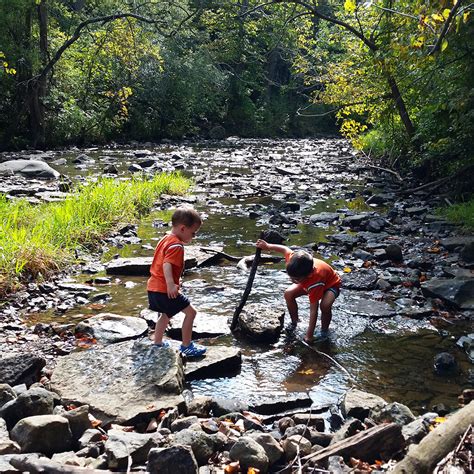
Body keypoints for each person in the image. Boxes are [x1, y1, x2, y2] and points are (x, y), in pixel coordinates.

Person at [256, 239, 341, 343]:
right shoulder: (293, 260)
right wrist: (268, 246)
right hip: (308, 282)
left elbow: (314, 310)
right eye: (290, 277)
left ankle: (324, 331)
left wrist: (309, 336)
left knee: (325, 305)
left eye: (296, 279)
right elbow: (284, 249)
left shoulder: (314, 281)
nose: (292, 281)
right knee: (288, 294)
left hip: (330, 285)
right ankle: (295, 322)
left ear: (308, 275)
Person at [147, 207, 206, 357]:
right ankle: (187, 346)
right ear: (182, 228)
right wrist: (171, 284)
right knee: (191, 313)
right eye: (193, 233)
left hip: (153, 288)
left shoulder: (165, 239)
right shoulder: (176, 245)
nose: (193, 237)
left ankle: (157, 343)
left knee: (165, 315)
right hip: (164, 289)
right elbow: (167, 264)